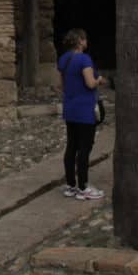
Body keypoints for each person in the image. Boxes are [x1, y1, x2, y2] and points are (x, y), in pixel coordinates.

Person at [57, 29, 103, 200]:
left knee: (71, 147)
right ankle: (83, 186)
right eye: (85, 39)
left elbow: (61, 85)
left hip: (70, 108)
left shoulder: (64, 59)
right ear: (80, 41)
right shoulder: (84, 59)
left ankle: (70, 185)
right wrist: (100, 80)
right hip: (85, 109)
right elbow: (90, 83)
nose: (86, 42)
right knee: (85, 147)